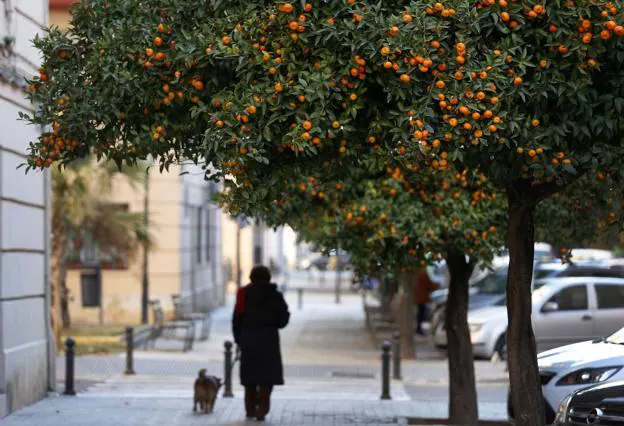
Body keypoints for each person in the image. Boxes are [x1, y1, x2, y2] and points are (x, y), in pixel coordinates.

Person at [232, 265, 290, 421]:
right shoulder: (275, 295)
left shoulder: (243, 294)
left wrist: (239, 339)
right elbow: (283, 319)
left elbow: (237, 319)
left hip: (248, 338)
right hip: (269, 339)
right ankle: (263, 408)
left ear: (251, 277)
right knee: (267, 376)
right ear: (268, 278)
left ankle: (250, 409)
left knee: (250, 377)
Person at [414, 267, 439, 335]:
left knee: (420, 313)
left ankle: (418, 328)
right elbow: (429, 284)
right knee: (421, 314)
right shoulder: (423, 274)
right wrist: (436, 286)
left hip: (420, 298)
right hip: (421, 298)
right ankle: (419, 329)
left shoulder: (418, 274)